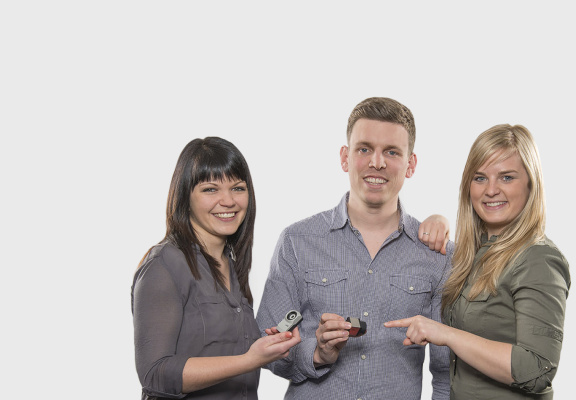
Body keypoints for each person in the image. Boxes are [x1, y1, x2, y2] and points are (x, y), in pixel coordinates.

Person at [256, 97, 452, 399]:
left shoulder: (437, 255)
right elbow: (267, 345)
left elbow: (445, 374)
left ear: (410, 164)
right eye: (364, 149)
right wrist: (317, 353)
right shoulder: (297, 242)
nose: (377, 162)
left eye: (391, 152)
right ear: (345, 157)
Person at [386, 124, 571, 399]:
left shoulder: (538, 259)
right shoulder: (473, 254)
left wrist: (446, 334)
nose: (491, 190)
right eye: (480, 178)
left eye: (507, 177)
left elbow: (537, 369)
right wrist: (438, 220)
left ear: (531, 183)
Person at [131, 137, 301, 400]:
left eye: (238, 188)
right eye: (210, 189)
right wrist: (249, 359)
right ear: (185, 195)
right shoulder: (164, 265)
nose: (228, 201)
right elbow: (155, 373)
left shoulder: (232, 264)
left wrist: (270, 347)